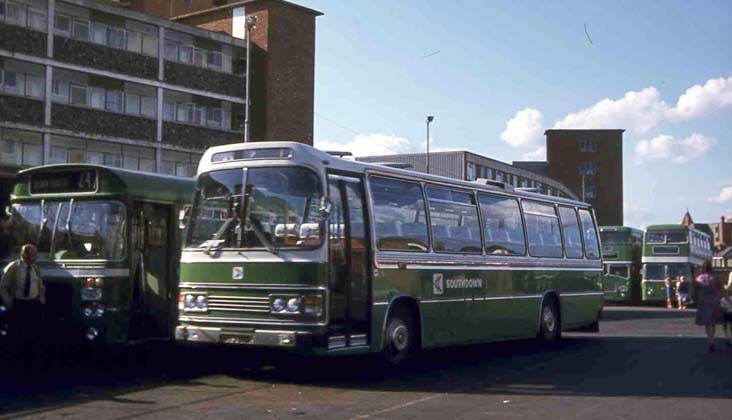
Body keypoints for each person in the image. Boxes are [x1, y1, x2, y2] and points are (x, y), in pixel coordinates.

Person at [0, 244, 47, 368]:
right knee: (17, 334)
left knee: (33, 334)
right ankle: (16, 363)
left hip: (33, 305)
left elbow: (40, 284)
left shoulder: (35, 268)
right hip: (19, 304)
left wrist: (41, 299)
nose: (35, 257)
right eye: (33, 255)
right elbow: (3, 287)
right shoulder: (13, 267)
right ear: (25, 255)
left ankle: (30, 362)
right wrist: (9, 302)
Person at [694, 260, 725, 352]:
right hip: (715, 302)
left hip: (703, 302)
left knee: (708, 323)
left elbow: (694, 291)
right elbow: (722, 291)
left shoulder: (698, 279)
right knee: (713, 322)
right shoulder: (716, 278)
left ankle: (711, 340)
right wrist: (728, 301)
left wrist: (695, 299)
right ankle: (712, 339)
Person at [723, 271, 732, 348]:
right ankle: (729, 337)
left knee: (725, 325)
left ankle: (727, 337)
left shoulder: (722, 299)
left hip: (725, 313)